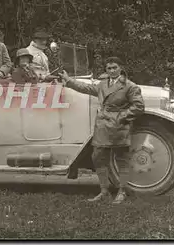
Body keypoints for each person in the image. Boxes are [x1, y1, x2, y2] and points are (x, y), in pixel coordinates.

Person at [59, 57, 145, 204]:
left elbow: (138, 107)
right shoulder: (103, 84)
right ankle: (104, 191)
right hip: (103, 125)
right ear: (106, 70)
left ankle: (122, 191)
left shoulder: (130, 86)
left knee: (121, 159)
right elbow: (86, 88)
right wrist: (69, 80)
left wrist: (121, 117)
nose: (112, 71)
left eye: (114, 68)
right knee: (97, 157)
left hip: (119, 126)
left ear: (121, 68)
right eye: (109, 68)